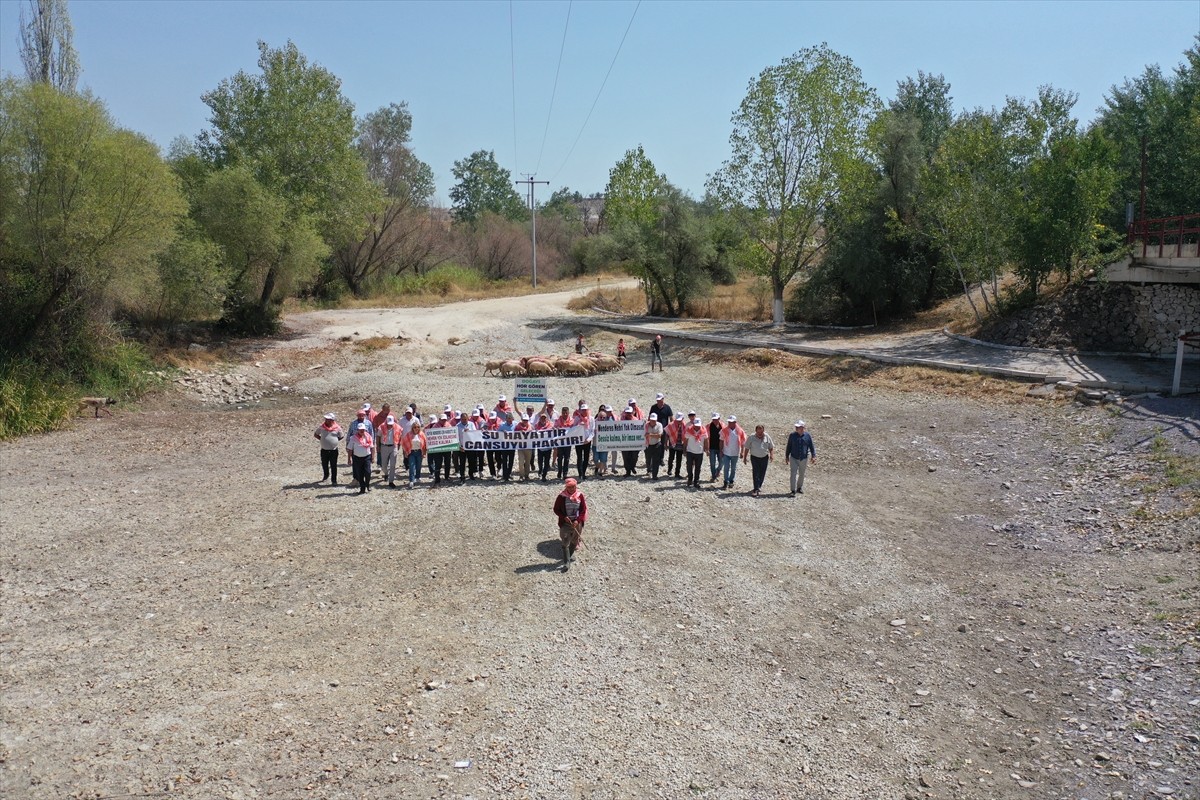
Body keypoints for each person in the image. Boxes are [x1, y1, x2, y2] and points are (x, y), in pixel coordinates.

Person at [553, 477, 587, 570]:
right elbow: (556, 509)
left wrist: (577, 520)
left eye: (573, 487)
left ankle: (570, 555)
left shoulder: (580, 496)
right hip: (565, 523)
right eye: (569, 487)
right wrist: (564, 517)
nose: (571, 489)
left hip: (576, 523)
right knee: (565, 542)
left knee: (574, 541)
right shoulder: (561, 496)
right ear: (566, 487)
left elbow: (583, 510)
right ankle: (566, 563)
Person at [785, 420, 817, 496]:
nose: (797, 428)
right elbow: (789, 446)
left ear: (803, 428)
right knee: (793, 474)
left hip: (803, 458)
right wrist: (786, 456)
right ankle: (793, 490)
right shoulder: (792, 435)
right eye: (796, 427)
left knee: (802, 474)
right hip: (793, 457)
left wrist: (813, 456)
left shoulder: (807, 436)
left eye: (798, 427)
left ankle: (799, 487)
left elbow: (811, 446)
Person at [742, 424, 775, 496]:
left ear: (763, 431)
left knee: (762, 473)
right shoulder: (751, 437)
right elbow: (747, 447)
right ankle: (755, 489)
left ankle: (759, 485)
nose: (760, 434)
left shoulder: (767, 437)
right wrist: (745, 457)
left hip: (764, 457)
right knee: (756, 472)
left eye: (761, 432)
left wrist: (771, 455)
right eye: (758, 432)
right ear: (756, 431)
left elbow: (771, 447)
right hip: (754, 458)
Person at [314, 413, 344, 484]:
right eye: (326, 419)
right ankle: (326, 475)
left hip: (333, 450)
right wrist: (322, 439)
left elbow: (341, 436)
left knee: (333, 465)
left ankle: (334, 480)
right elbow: (316, 434)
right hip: (324, 450)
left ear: (332, 420)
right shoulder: (322, 427)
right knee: (324, 464)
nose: (326, 421)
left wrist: (335, 441)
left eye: (328, 419)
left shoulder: (337, 428)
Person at [719, 415, 746, 490]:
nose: (730, 423)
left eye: (731, 422)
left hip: (735, 453)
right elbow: (721, 440)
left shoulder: (740, 431)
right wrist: (721, 450)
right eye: (729, 422)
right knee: (726, 468)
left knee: (733, 468)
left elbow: (743, 442)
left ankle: (731, 480)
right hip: (726, 452)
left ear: (735, 422)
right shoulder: (724, 430)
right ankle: (725, 481)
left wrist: (742, 452)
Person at [349, 418, 375, 494]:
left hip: (367, 457)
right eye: (360, 430)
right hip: (357, 458)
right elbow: (350, 449)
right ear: (357, 430)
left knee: (368, 472)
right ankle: (362, 488)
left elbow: (372, 447)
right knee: (360, 474)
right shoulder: (353, 438)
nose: (362, 431)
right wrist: (349, 459)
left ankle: (367, 484)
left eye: (363, 429)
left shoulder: (368, 437)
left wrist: (373, 457)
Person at [376, 413, 403, 488]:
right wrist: (378, 446)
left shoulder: (397, 427)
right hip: (384, 446)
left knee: (393, 464)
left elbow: (400, 436)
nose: (390, 425)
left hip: (393, 446)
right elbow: (378, 437)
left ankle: (391, 481)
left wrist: (398, 445)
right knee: (384, 465)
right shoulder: (381, 427)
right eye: (388, 424)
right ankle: (386, 473)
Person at [401, 419, 428, 489]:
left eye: (418, 427)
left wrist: (424, 452)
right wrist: (405, 452)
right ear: (412, 428)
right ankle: (411, 480)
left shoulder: (422, 434)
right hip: (411, 452)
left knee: (419, 466)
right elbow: (404, 443)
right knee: (412, 466)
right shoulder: (409, 434)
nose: (416, 428)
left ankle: (418, 477)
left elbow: (425, 443)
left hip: (419, 452)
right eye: (415, 427)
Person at [683, 418, 708, 487]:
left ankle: (696, 481)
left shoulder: (704, 431)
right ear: (693, 424)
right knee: (689, 466)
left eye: (698, 425)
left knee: (698, 467)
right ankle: (690, 479)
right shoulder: (689, 430)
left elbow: (706, 440)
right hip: (690, 451)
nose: (697, 427)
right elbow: (686, 440)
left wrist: (707, 449)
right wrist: (684, 450)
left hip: (699, 452)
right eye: (696, 425)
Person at [572, 403, 594, 480]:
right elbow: (573, 429)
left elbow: (592, 431)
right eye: (582, 410)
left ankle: (584, 472)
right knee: (579, 457)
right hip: (578, 441)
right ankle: (580, 473)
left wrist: (588, 439)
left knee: (586, 457)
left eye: (585, 410)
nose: (584, 411)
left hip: (587, 441)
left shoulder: (591, 419)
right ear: (580, 410)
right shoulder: (577, 418)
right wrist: (578, 425)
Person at [554, 406, 574, 480]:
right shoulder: (558, 420)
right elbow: (554, 427)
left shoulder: (572, 420)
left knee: (567, 458)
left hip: (568, 442)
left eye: (566, 413)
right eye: (563, 413)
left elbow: (575, 429)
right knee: (559, 458)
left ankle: (565, 473)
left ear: (568, 413)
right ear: (561, 413)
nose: (565, 414)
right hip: (560, 442)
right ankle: (559, 471)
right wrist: (556, 428)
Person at [644, 413, 665, 479]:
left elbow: (659, 435)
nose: (653, 421)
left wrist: (650, 434)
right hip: (648, 445)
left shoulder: (659, 425)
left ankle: (655, 475)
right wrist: (653, 435)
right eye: (652, 420)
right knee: (648, 459)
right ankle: (649, 470)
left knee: (656, 461)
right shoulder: (646, 425)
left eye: (654, 420)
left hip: (657, 444)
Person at [620, 407, 641, 476]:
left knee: (634, 456)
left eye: (630, 413)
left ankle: (632, 467)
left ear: (632, 412)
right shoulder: (622, 420)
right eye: (627, 413)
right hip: (624, 442)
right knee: (626, 457)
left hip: (634, 441)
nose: (628, 414)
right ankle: (628, 471)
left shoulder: (636, 420)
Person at [371, 403, 392, 471]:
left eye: (388, 410)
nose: (388, 412)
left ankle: (387, 464)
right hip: (380, 435)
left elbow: (395, 424)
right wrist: (379, 429)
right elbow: (374, 424)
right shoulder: (377, 416)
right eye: (386, 410)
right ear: (383, 410)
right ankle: (379, 464)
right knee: (379, 449)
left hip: (389, 435)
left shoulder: (391, 415)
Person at [666, 412, 686, 478]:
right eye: (678, 420)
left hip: (680, 444)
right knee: (671, 458)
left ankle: (677, 473)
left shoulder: (685, 426)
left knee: (679, 460)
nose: (679, 421)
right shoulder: (671, 425)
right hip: (672, 444)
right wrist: (666, 443)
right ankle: (669, 470)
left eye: (680, 420)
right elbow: (667, 434)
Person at [514, 414, 535, 480]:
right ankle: (521, 475)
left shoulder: (531, 427)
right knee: (521, 461)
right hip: (520, 447)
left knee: (528, 462)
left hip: (529, 447)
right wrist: (519, 432)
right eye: (524, 420)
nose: (525, 421)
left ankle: (526, 475)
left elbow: (536, 435)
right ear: (521, 420)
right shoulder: (517, 427)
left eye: (526, 420)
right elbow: (513, 435)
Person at [535, 411, 554, 481]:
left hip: (548, 447)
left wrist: (555, 430)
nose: (543, 419)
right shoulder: (537, 425)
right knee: (540, 462)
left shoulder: (550, 425)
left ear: (546, 419)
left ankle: (544, 476)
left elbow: (555, 431)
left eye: (544, 418)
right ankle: (540, 470)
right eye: (542, 418)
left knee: (546, 462)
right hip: (540, 447)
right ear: (540, 419)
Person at [707, 413, 725, 482]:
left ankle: (718, 471)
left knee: (721, 462)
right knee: (712, 463)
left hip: (720, 448)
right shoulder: (708, 426)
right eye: (713, 419)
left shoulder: (723, 426)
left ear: (719, 419)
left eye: (716, 419)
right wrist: (706, 448)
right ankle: (713, 476)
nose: (715, 420)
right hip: (711, 448)